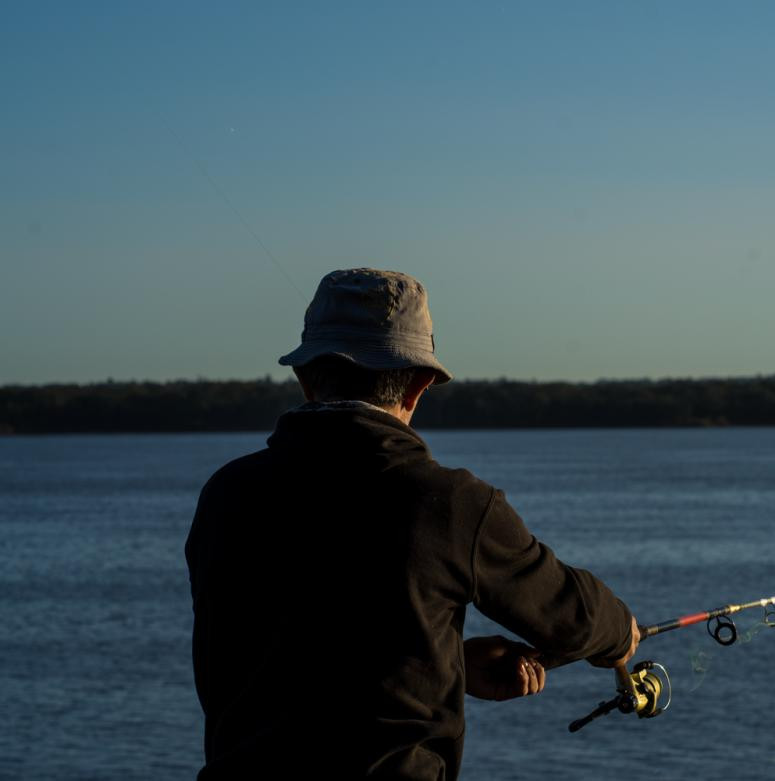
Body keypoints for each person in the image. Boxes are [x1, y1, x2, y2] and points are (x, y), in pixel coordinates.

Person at [185, 268, 638, 779]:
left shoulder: (226, 495)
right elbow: (571, 618)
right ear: (420, 385)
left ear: (305, 376)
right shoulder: (451, 504)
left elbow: (294, 653)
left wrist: (453, 666)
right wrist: (619, 631)